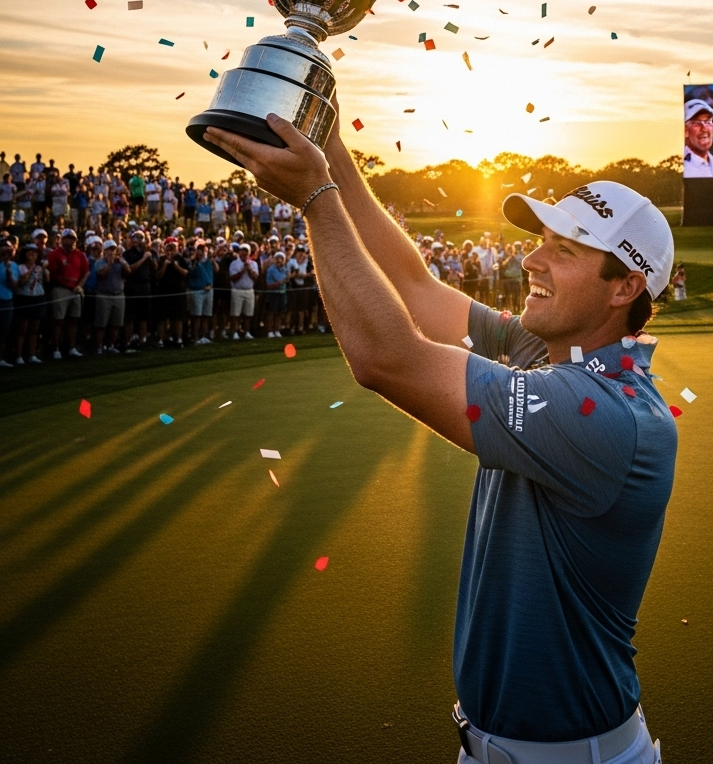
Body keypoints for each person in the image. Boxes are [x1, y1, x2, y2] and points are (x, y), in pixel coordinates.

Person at [203, 114, 677, 764]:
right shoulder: (553, 349)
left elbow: (387, 357)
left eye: (564, 251)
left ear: (625, 287)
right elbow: (412, 288)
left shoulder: (606, 411)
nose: (530, 258)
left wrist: (316, 199)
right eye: (539, 239)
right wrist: (331, 143)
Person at [48, 228, 90, 359]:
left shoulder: (80, 255)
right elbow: (52, 272)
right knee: (58, 321)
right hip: (60, 289)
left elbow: (86, 272)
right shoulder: (55, 254)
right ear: (62, 240)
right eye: (66, 238)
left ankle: (71, 347)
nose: (69, 241)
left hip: (75, 290)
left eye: (72, 239)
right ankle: (56, 348)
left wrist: (80, 286)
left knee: (74, 320)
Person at [13, 243, 48, 365]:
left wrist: (45, 270)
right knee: (22, 329)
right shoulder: (20, 267)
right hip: (24, 298)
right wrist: (32, 268)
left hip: (38, 298)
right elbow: (23, 281)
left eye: (34, 252)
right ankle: (19, 355)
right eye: (30, 252)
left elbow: (46, 281)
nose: (32, 254)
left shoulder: (40, 267)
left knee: (34, 329)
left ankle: (31, 354)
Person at [94, 239, 128, 354]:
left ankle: (111, 345)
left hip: (118, 295)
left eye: (113, 249)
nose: (111, 252)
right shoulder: (100, 262)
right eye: (109, 250)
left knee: (116, 323)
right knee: (101, 324)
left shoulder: (120, 261)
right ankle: (99, 346)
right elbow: (100, 274)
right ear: (105, 251)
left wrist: (122, 262)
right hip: (104, 296)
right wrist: (109, 264)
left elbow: (129, 272)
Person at [123, 229, 155, 351]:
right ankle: (128, 342)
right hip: (133, 286)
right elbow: (130, 269)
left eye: (139, 238)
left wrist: (149, 257)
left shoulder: (147, 252)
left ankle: (143, 340)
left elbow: (154, 268)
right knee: (130, 316)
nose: (136, 240)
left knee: (144, 316)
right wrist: (143, 258)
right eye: (134, 238)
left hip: (145, 286)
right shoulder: (128, 254)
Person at [155, 237, 189, 348]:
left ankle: (178, 339)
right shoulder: (161, 259)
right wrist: (166, 263)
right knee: (161, 318)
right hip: (163, 292)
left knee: (178, 317)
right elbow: (158, 276)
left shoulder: (180, 259)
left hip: (178, 292)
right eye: (169, 247)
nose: (171, 250)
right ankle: (161, 339)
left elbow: (185, 273)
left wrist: (176, 266)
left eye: (173, 247)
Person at [186, 240, 216, 344]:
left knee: (206, 316)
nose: (201, 252)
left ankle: (204, 336)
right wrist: (194, 260)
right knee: (196, 316)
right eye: (199, 250)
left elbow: (216, 269)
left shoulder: (208, 261)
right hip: (197, 291)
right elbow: (190, 275)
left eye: (203, 250)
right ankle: (195, 337)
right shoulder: (193, 262)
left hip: (209, 290)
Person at [683, 98, 713, 178]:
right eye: (697, 123)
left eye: (708, 122)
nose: (704, 128)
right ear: (686, 131)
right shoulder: (684, 167)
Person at [228, 243, 259, 338]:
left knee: (248, 314)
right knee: (236, 313)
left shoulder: (253, 264)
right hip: (237, 290)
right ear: (239, 252)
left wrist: (249, 269)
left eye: (246, 251)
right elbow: (233, 278)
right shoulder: (234, 263)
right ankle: (235, 332)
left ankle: (247, 332)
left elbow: (255, 277)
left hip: (249, 290)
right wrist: (242, 271)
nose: (244, 253)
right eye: (242, 250)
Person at [264, 250, 289, 338]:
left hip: (282, 293)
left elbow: (286, 280)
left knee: (279, 312)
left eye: (281, 258)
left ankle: (277, 330)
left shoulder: (284, 269)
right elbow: (271, 284)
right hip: (273, 293)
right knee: (272, 312)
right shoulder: (271, 269)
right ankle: (270, 331)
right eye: (277, 258)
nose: (279, 260)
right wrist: (282, 281)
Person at [0, 240, 16, 366]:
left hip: (7, 301)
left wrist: (9, 275)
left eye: (8, 248)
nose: (5, 250)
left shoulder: (14, 266)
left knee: (4, 332)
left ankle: (1, 359)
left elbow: (15, 286)